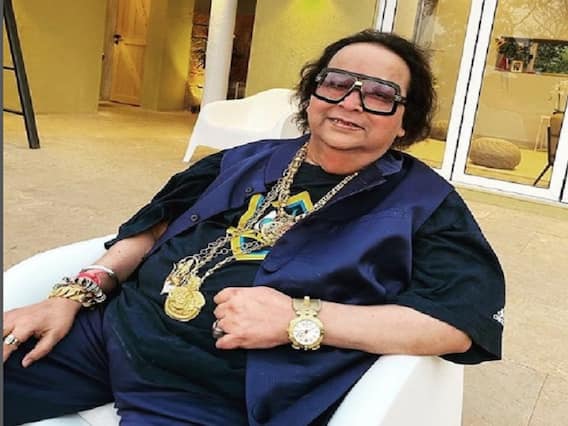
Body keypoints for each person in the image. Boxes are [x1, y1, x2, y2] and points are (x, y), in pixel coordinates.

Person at [3, 29, 505, 426]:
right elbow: (151, 228)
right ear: (311, 95)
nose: (351, 102)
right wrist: (71, 296)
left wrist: (300, 317)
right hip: (110, 333)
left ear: (405, 121)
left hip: (214, 392)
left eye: (380, 94)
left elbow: (459, 325)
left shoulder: (425, 203)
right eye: (336, 83)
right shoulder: (240, 160)